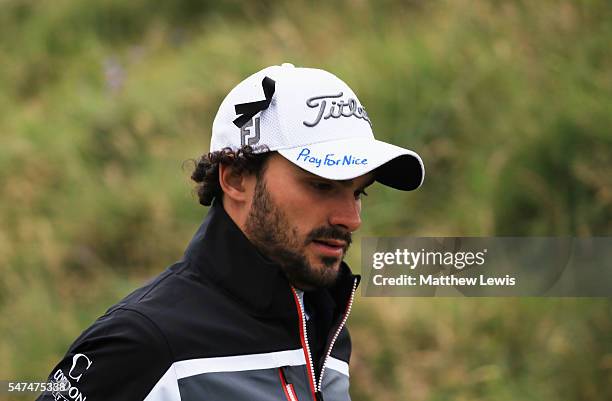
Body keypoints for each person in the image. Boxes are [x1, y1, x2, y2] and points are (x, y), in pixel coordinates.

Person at [37, 63, 424, 401]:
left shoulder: (324, 326)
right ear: (236, 179)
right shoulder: (142, 344)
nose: (350, 218)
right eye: (322, 185)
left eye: (358, 192)